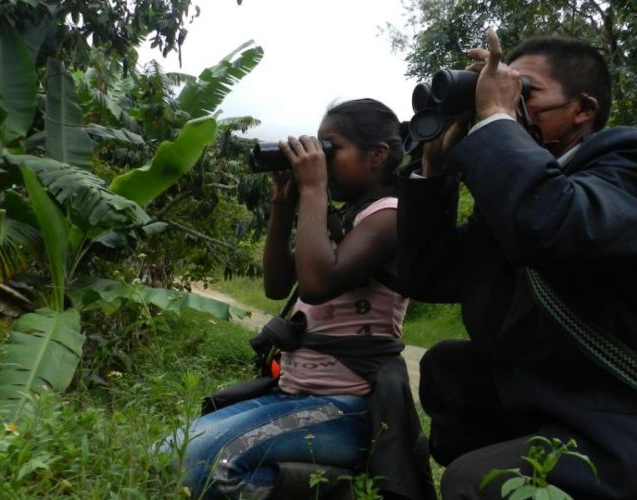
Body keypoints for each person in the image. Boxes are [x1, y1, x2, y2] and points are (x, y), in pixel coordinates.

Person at [396, 30, 637, 498]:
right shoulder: (518, 194)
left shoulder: (636, 163)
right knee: (450, 369)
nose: (506, 101)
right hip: (574, 400)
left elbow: (553, 225)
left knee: (475, 481)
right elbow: (428, 273)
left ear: (583, 109)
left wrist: (496, 120)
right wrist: (434, 168)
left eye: (523, 91)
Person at [156, 98, 434, 500]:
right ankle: (311, 477)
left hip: (347, 407)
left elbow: (316, 284)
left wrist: (313, 189)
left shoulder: (389, 215)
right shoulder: (346, 215)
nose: (320, 159)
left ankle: (342, 492)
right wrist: (283, 203)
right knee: (166, 455)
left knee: (198, 470)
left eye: (331, 148)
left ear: (377, 156)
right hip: (290, 394)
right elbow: (276, 285)